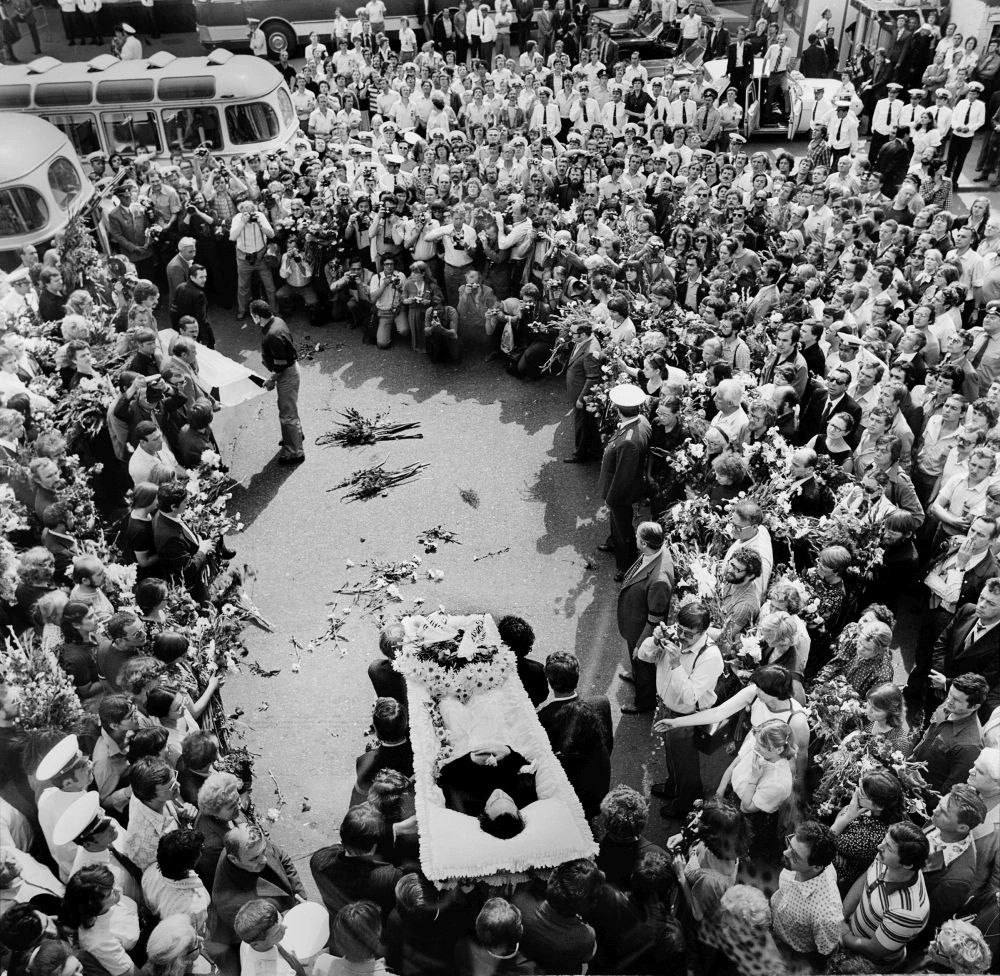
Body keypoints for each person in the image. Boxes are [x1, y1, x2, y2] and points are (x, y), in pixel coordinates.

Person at [837, 822, 930, 969]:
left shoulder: (907, 913)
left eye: (889, 848)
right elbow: (866, 880)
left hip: (867, 960)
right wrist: (841, 915)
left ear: (907, 865)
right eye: (885, 840)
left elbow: (874, 950)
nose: (879, 847)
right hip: (848, 931)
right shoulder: (886, 857)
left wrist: (844, 936)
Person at [616, 521, 674, 714]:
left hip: (642, 629)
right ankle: (635, 675)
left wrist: (641, 643)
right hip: (634, 622)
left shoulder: (659, 581)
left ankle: (644, 702)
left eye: (637, 537)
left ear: (644, 543)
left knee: (643, 665)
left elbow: (655, 617)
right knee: (636, 662)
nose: (635, 538)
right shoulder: (655, 553)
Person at [770, 821, 843, 962]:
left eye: (795, 855)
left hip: (795, 954)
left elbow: (825, 953)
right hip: (777, 926)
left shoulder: (826, 914)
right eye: (789, 844)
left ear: (816, 867)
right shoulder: (806, 858)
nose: (785, 852)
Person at [598, 384, 651, 578]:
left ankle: (626, 565)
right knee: (617, 523)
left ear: (618, 410)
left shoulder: (628, 441)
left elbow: (623, 476)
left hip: (621, 492)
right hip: (627, 486)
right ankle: (614, 542)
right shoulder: (641, 421)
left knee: (623, 528)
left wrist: (611, 499)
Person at [911, 672, 988, 803]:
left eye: (957, 700)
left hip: (922, 799)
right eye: (950, 694)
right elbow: (928, 735)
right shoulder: (949, 706)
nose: (949, 700)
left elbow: (950, 791)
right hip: (910, 774)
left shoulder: (970, 746)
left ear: (974, 706)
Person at [249, 300, 304, 466]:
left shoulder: (272, 335)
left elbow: (281, 364)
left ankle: (294, 452)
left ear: (257, 316)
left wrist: (272, 379)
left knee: (287, 414)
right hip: (289, 371)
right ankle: (295, 436)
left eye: (252, 316)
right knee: (289, 408)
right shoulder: (277, 321)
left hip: (286, 374)